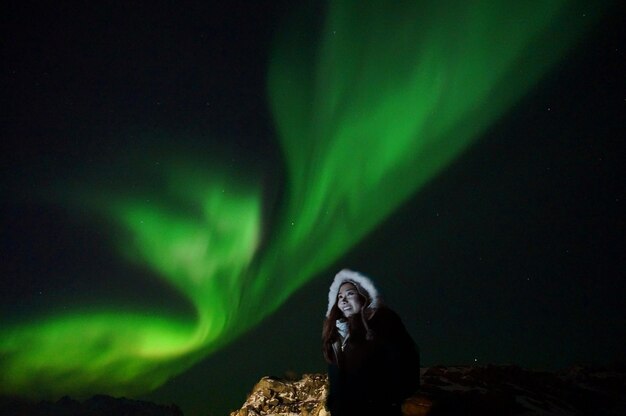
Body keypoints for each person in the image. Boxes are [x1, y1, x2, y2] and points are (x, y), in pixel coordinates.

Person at [322, 269, 420, 416]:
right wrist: (334, 403)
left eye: (350, 294)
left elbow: (406, 363)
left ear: (364, 296)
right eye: (340, 296)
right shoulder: (337, 334)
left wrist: (385, 402)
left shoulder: (383, 323)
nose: (343, 300)